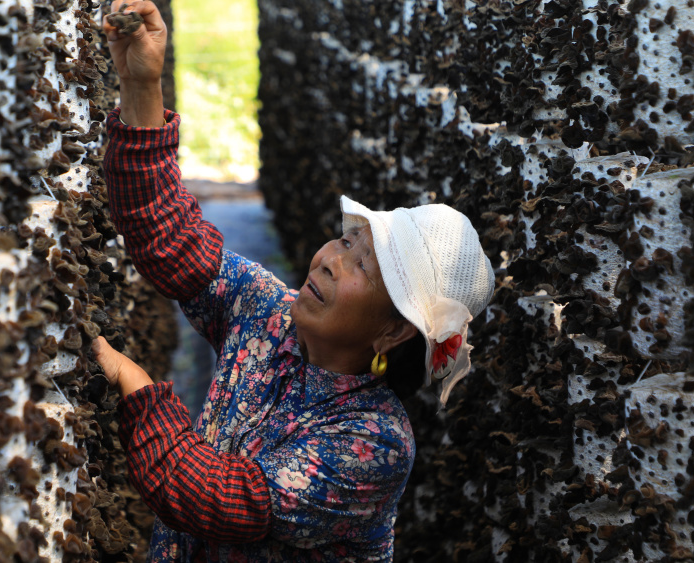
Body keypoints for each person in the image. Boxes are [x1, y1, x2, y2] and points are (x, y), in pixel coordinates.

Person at [90, 2, 495, 560]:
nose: (330, 259)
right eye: (347, 242)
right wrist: (141, 84)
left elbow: (224, 501)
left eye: (364, 267)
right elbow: (170, 239)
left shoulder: (374, 442)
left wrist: (138, 388)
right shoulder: (269, 314)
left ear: (394, 332)